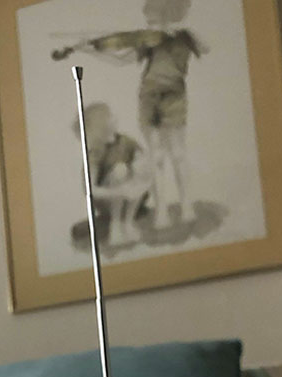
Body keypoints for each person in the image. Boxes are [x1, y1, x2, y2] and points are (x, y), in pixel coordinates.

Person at [53, 0, 207, 230]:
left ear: (168, 14)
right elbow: (120, 58)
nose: (148, 23)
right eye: (149, 19)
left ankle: (187, 207)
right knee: (156, 156)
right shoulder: (146, 40)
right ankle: (161, 211)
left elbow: (206, 48)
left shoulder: (185, 36)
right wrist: (87, 47)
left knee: (178, 153)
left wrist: (176, 33)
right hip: (148, 97)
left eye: (153, 18)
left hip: (175, 96)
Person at [74, 102, 152, 246]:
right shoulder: (96, 152)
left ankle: (128, 222)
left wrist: (139, 166)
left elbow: (143, 159)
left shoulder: (125, 141)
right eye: (109, 115)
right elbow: (90, 189)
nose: (115, 117)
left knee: (140, 167)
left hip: (131, 195)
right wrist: (119, 191)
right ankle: (115, 226)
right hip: (108, 200)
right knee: (120, 170)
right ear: (101, 124)